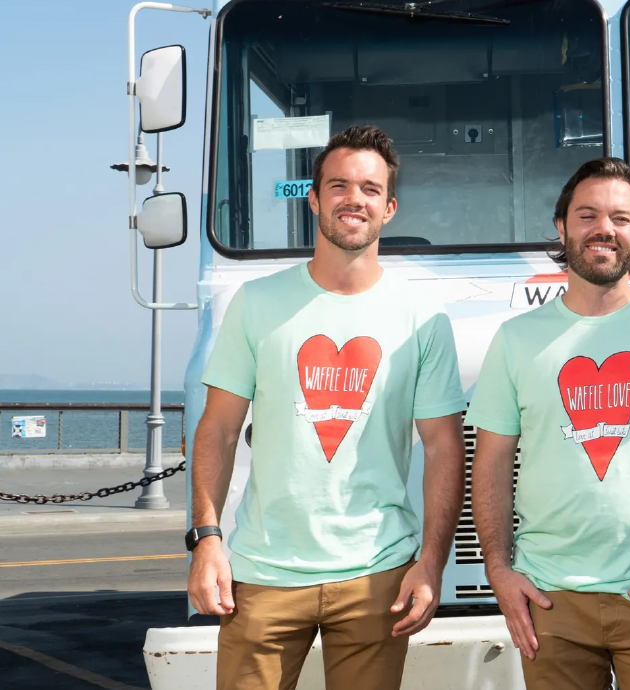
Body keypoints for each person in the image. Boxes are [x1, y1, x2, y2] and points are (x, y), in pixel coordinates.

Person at [186, 125, 467, 689]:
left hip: (377, 575)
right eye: (338, 185)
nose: (353, 198)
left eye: (369, 188)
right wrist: (206, 540)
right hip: (263, 573)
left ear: (388, 208)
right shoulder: (256, 303)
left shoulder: (422, 317)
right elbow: (217, 430)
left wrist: (431, 562)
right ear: (314, 199)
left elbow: (443, 446)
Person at [467, 158, 630, 690]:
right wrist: (499, 569)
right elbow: (492, 460)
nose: (604, 229)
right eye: (587, 214)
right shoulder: (516, 339)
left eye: (621, 217)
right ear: (561, 227)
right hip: (548, 601)